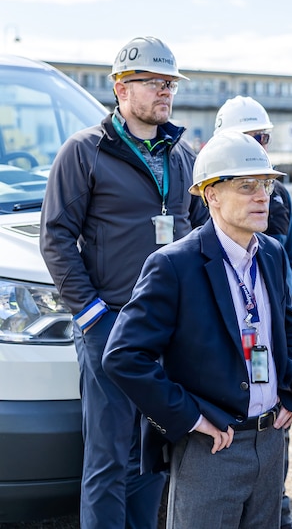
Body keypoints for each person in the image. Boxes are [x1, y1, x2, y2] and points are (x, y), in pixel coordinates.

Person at [102, 132, 292, 528]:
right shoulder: (174, 265)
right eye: (246, 185)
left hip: (270, 441)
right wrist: (188, 417)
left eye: (266, 185)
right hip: (212, 446)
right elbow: (123, 356)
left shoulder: (271, 253)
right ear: (211, 195)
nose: (262, 196)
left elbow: (288, 326)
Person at [40, 36, 208, 529]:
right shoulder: (85, 151)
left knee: (151, 454)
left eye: (170, 84)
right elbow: (56, 237)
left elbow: (199, 232)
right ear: (121, 88)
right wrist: (90, 313)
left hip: (165, 329)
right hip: (109, 324)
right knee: (108, 458)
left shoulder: (181, 157)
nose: (165, 92)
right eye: (154, 82)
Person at [214, 95, 292, 529]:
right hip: (224, 359)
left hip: (268, 345)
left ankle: (277, 513)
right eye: (250, 138)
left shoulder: (276, 196)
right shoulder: (208, 206)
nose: (259, 146)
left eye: (263, 138)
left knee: (272, 455)